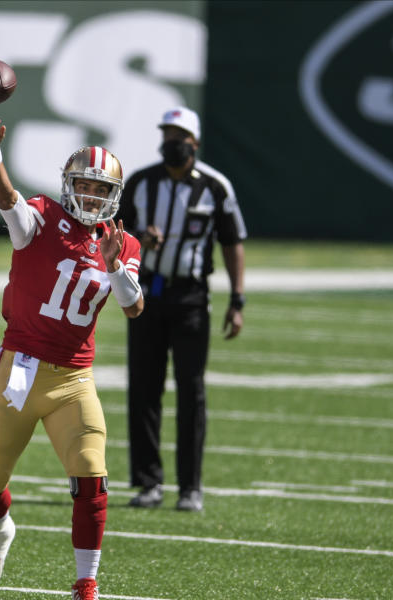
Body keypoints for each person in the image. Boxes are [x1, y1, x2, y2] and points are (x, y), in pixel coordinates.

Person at [0, 119, 144, 600]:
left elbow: (134, 308)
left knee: (92, 476)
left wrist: (113, 266)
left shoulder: (122, 243)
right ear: (69, 186)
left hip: (73, 378)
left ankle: (86, 585)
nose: (91, 196)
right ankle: (0, 529)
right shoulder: (42, 218)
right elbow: (7, 200)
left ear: (114, 195)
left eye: (101, 189)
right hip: (21, 368)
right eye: (85, 186)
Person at [115, 106, 247, 512]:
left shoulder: (215, 186)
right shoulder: (140, 183)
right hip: (147, 294)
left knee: (191, 391)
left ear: (195, 142)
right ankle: (149, 482)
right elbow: (111, 235)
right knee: (144, 387)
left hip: (191, 296)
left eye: (179, 136)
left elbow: (232, 241)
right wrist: (139, 240)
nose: (171, 143)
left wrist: (237, 298)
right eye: (167, 135)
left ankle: (190, 486)